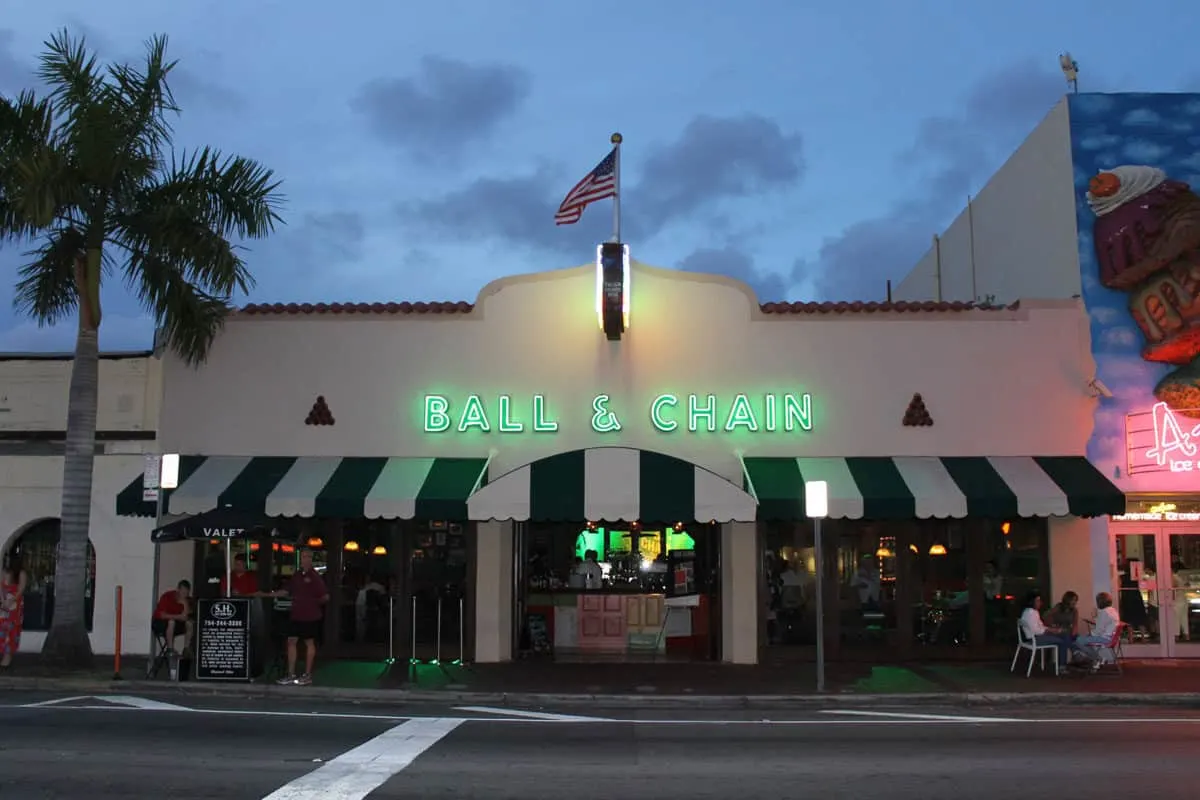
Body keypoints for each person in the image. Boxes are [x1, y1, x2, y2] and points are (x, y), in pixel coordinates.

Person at [273, 548, 328, 685]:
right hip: (296, 614)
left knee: (309, 642)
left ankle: (307, 674)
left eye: (308, 557)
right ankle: (291, 674)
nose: (306, 559)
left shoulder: (315, 577)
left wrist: (312, 603)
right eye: (304, 557)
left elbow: (325, 596)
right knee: (291, 641)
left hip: (310, 615)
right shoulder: (297, 575)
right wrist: (268, 594)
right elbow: (286, 590)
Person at [1019, 590, 1074, 671]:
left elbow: (1040, 626)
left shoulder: (1029, 611)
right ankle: (1063, 665)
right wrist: (1050, 631)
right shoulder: (1031, 613)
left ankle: (1072, 655)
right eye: (1038, 601)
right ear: (1032, 601)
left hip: (1035, 636)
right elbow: (1036, 630)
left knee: (1064, 634)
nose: (1040, 602)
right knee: (1062, 641)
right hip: (1035, 639)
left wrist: (1052, 629)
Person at [1075, 592, 1121, 671]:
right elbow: (1104, 625)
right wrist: (1096, 618)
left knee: (1079, 640)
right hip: (1112, 638)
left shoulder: (1104, 612)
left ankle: (1097, 658)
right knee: (1084, 639)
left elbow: (1098, 631)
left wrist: (1089, 633)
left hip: (1105, 639)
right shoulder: (1113, 610)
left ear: (1100, 602)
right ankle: (1089, 657)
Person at [0, 553, 28, 669]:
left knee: (11, 631)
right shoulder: (4, 572)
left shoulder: (21, 573)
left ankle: (7, 659)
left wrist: (11, 601)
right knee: (2, 629)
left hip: (14, 606)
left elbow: (21, 589)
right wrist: (3, 601)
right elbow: (1, 587)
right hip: (4, 606)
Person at [153, 580, 193, 655]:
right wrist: (178, 617)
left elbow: (185, 617)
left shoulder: (187, 600)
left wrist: (185, 604)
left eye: (186, 593)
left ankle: (186, 649)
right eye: (182, 592)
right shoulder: (167, 596)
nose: (184, 595)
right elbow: (162, 615)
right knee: (171, 621)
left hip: (175, 624)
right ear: (178, 590)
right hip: (159, 622)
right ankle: (170, 649)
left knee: (189, 623)